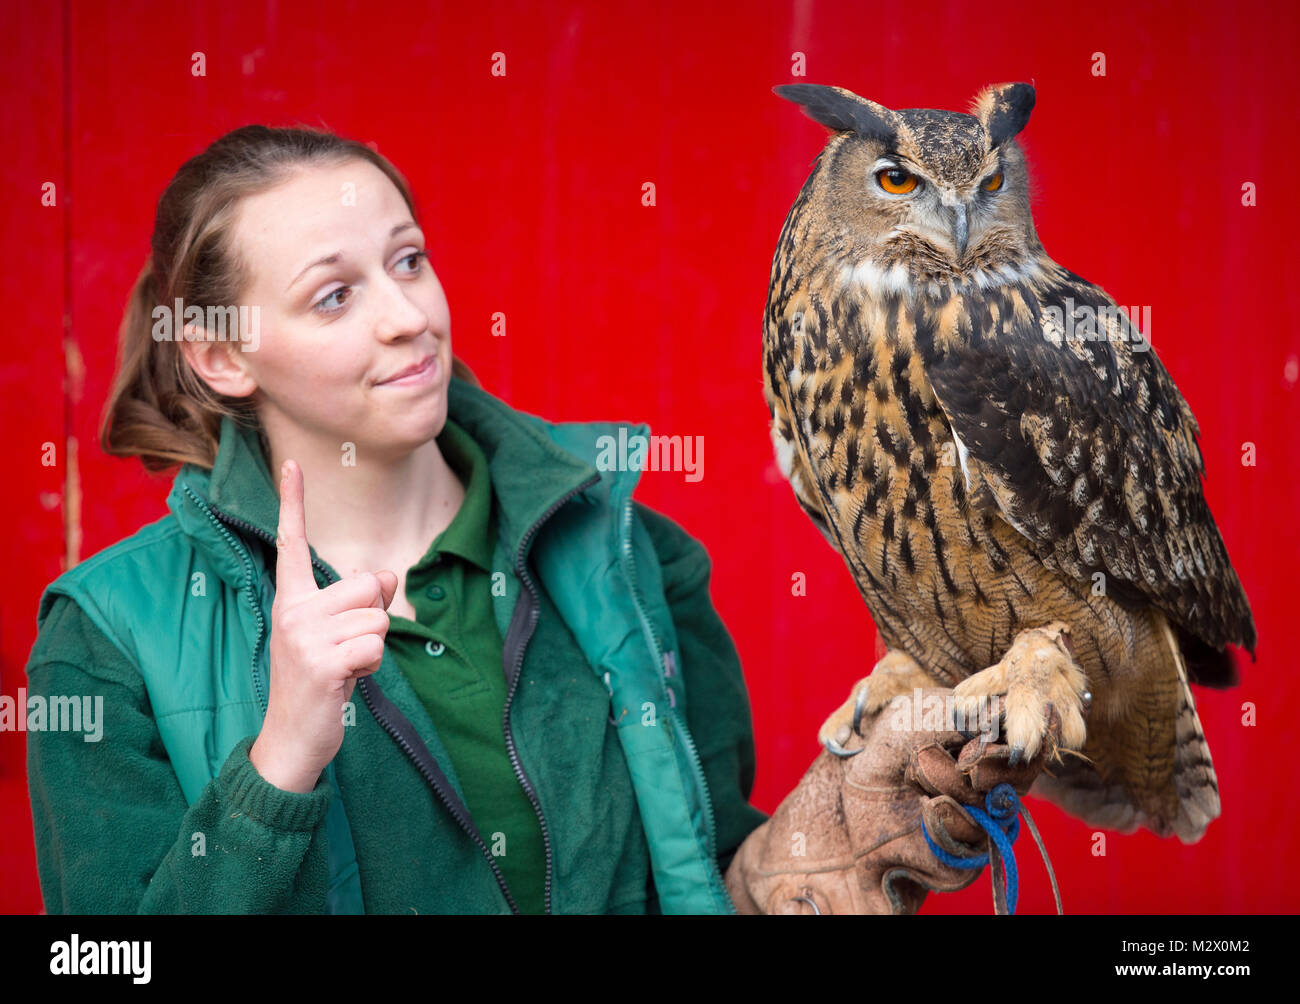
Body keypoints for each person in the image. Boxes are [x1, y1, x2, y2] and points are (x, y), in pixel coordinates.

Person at [24, 124, 1059, 915]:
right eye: (333, 296)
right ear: (220, 355)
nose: (406, 314)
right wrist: (279, 760)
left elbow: (698, 876)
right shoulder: (110, 636)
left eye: (408, 258)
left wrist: (813, 854)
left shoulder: (629, 559)